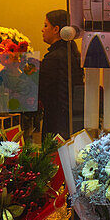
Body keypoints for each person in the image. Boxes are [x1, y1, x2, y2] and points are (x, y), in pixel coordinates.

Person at [38, 9, 84, 139]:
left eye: (46, 25)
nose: (42, 29)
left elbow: (44, 92)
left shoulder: (54, 58)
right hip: (71, 118)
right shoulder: (71, 53)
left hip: (56, 120)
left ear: (56, 29)